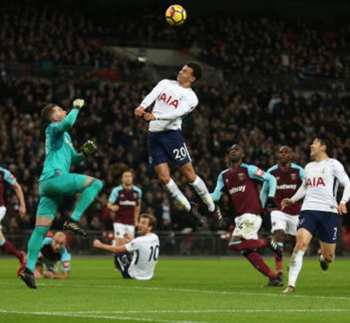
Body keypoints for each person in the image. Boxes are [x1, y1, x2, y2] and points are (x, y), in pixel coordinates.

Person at [19, 99, 103, 289]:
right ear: (54, 117)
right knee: (96, 184)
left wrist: (84, 154)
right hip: (55, 178)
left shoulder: (65, 136)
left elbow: (74, 159)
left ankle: (29, 270)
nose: (64, 111)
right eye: (60, 110)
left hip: (48, 185)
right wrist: (77, 106)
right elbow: (69, 122)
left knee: (40, 229)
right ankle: (73, 219)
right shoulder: (53, 128)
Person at [134, 61, 221, 226]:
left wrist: (156, 116)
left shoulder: (191, 98)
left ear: (192, 78)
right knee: (164, 178)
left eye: (185, 71)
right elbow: (152, 94)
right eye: (181, 69)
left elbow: (177, 113)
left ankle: (211, 206)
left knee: (189, 175)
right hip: (154, 136)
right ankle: (191, 210)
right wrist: (142, 106)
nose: (181, 72)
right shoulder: (165, 83)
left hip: (172, 136)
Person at [281, 136, 350, 293]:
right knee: (300, 244)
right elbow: (305, 187)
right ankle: (291, 284)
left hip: (329, 212)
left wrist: (343, 201)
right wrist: (292, 200)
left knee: (329, 257)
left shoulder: (333, 164)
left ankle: (322, 257)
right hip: (309, 210)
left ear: (323, 147)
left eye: (315, 143)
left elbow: (347, 184)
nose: (311, 145)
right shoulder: (308, 167)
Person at [211, 144, 283, 287]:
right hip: (240, 217)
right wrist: (200, 197)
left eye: (236, 149)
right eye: (231, 149)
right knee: (247, 250)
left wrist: (271, 197)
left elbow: (271, 179)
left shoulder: (249, 169)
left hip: (252, 214)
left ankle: (267, 242)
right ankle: (274, 277)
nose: (233, 151)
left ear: (242, 154)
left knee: (233, 243)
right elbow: (216, 196)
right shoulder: (224, 175)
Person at [260, 146, 304, 280]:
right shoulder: (271, 172)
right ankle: (279, 271)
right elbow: (264, 190)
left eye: (286, 152)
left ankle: (291, 263)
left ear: (291, 155)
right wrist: (260, 208)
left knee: (294, 241)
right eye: (281, 152)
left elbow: (307, 186)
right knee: (279, 233)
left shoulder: (299, 171)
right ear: (277, 155)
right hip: (278, 210)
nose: (283, 155)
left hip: (295, 212)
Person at [93, 213, 159, 280]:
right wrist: (132, 239)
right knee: (130, 249)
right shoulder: (155, 237)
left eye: (143, 223)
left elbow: (117, 250)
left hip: (133, 275)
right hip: (149, 275)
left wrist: (101, 245)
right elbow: (142, 245)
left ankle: (117, 265)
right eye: (139, 222)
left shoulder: (139, 241)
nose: (139, 225)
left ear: (150, 227)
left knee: (119, 246)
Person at [107, 169, 143, 247]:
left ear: (132, 178)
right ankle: (117, 255)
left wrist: (136, 219)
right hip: (119, 220)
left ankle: (115, 246)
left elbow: (138, 206)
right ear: (122, 179)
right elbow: (109, 204)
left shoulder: (138, 191)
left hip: (131, 221)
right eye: (125, 176)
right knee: (120, 240)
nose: (128, 178)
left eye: (129, 176)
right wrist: (112, 207)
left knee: (129, 242)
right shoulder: (117, 190)